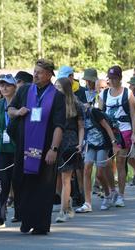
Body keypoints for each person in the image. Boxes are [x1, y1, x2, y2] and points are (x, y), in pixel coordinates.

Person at [8, 59, 66, 235]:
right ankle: (26, 219)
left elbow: (59, 125)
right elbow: (10, 109)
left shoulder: (57, 96)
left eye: (39, 72)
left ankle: (40, 225)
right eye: (34, 71)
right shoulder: (24, 90)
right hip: (24, 148)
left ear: (49, 75)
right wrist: (18, 112)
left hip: (45, 149)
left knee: (43, 187)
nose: (35, 75)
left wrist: (53, 149)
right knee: (21, 184)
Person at [99, 65, 135, 207]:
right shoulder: (104, 94)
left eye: (115, 78)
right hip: (108, 131)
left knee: (121, 163)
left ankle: (121, 195)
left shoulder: (128, 93)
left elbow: (133, 114)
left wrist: (133, 133)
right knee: (107, 163)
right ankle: (112, 190)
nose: (112, 81)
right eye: (110, 78)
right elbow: (100, 113)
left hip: (124, 129)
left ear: (120, 78)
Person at [54, 77, 84, 223]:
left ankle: (62, 211)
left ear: (65, 87)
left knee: (66, 177)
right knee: (57, 179)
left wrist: (80, 143)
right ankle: (68, 201)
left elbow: (81, 126)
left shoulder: (75, 102)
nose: (55, 89)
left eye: (58, 86)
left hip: (70, 141)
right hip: (55, 141)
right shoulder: (53, 102)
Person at [0, 74, 17, 227]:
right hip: (1, 148)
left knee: (19, 183)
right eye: (2, 85)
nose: (5, 88)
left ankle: (21, 213)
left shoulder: (21, 102)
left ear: (15, 87)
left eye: (8, 85)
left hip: (18, 148)